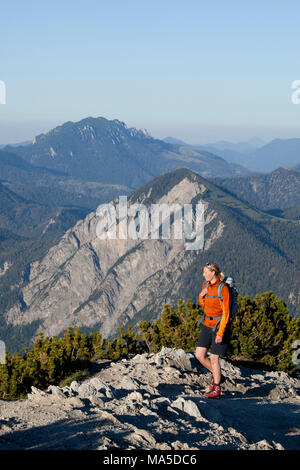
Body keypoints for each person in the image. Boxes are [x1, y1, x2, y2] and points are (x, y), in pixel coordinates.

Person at [195, 262, 231, 398]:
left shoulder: (223, 289)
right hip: (206, 323)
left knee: (214, 358)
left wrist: (221, 333)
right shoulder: (206, 285)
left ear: (213, 272)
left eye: (205, 272)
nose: (203, 275)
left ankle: (216, 387)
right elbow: (204, 305)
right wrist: (201, 296)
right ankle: (218, 376)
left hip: (218, 325)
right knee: (199, 355)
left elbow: (226, 313)